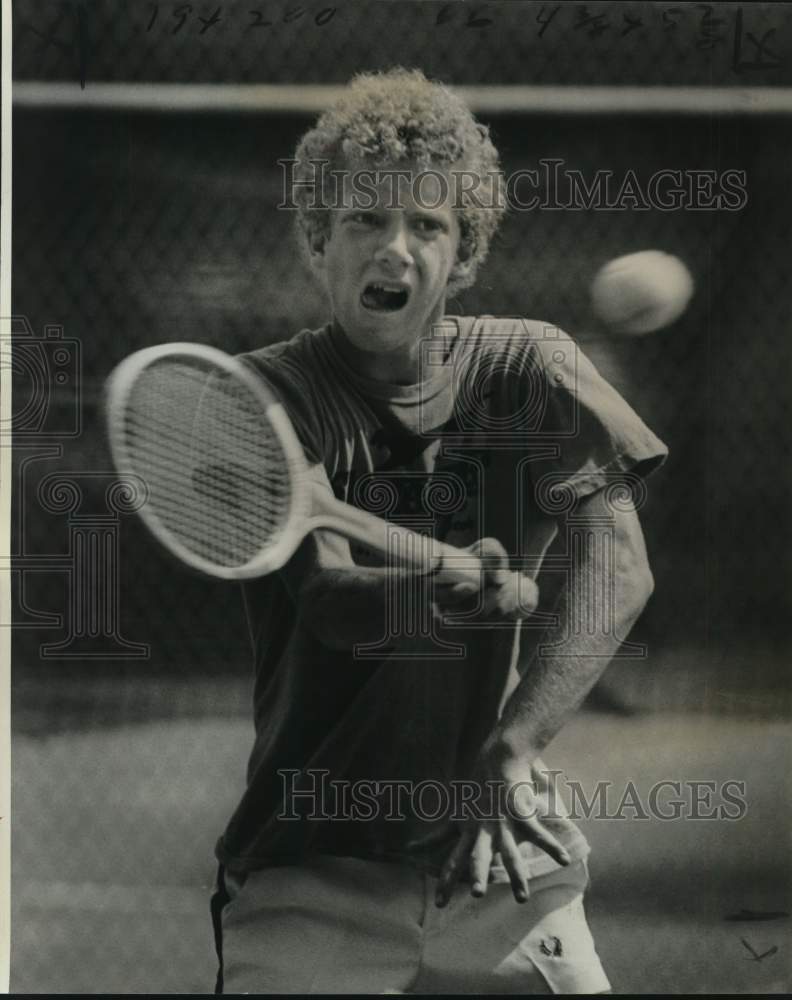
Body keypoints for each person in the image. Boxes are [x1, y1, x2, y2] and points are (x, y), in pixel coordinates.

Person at [211, 67, 667, 994]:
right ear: (317, 240)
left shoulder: (528, 366)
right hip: (313, 865)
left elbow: (621, 567)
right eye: (364, 220)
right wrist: (452, 580)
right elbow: (333, 599)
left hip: (503, 859)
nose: (396, 249)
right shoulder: (265, 396)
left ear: (462, 258)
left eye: (428, 226)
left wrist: (514, 746)